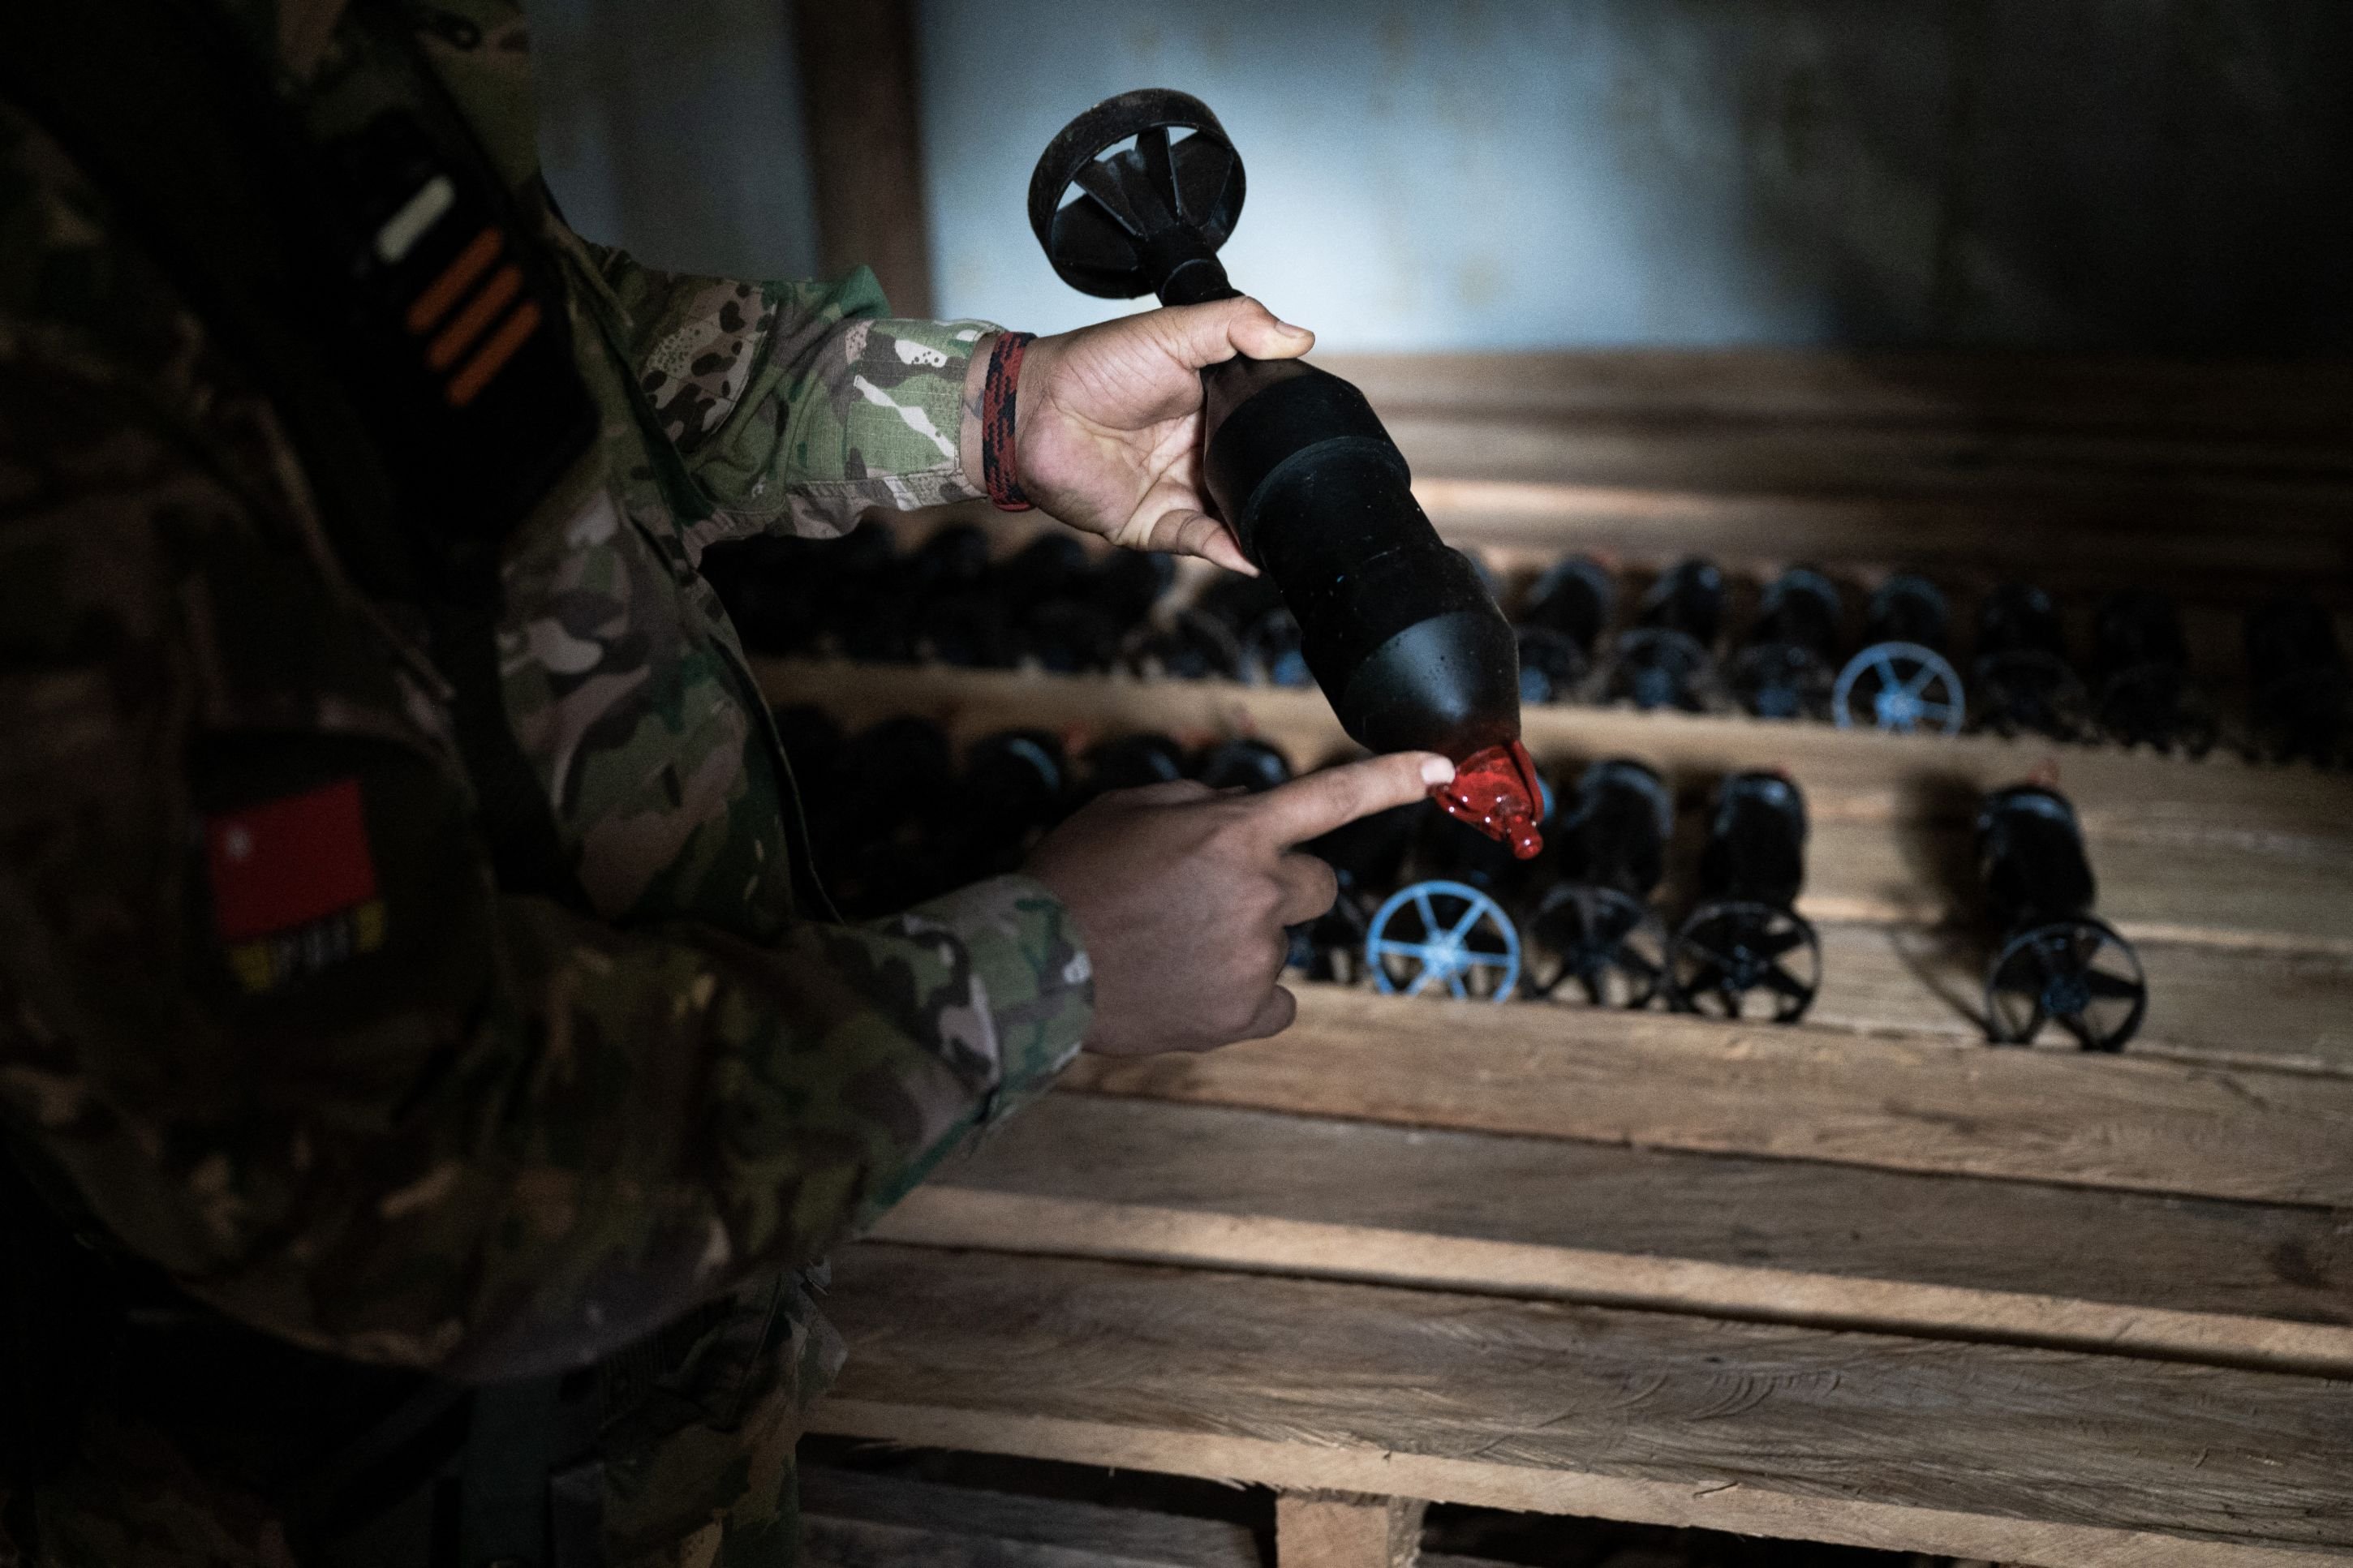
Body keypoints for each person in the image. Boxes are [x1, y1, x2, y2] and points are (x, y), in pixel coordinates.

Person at [0, 1, 1451, 1563]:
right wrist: (1050, 966)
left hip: (653, 1357)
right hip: (345, 1473)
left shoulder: (287, 44)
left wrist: (996, 410)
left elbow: (531, 352)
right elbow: (384, 1171)